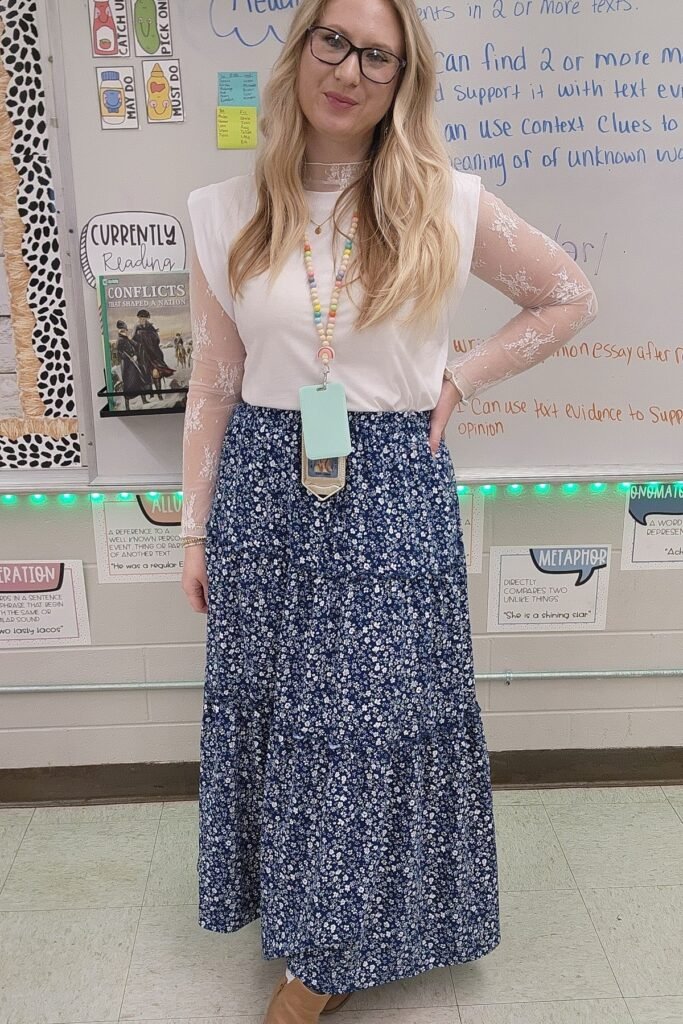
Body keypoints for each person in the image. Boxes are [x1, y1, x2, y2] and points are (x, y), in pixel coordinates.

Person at [179, 0, 598, 1019]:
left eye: (378, 55)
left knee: (370, 725)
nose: (350, 70)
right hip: (266, 487)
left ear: (401, 78)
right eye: (334, 41)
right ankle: (306, 919)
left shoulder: (447, 203)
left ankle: (323, 961)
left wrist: (460, 377)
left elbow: (566, 295)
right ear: (299, 50)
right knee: (286, 722)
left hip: (391, 487)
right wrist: (194, 526)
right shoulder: (221, 209)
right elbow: (214, 381)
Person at [133, 308, 175, 396]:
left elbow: (157, 340)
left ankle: (159, 393)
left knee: (156, 373)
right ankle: (150, 393)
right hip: (142, 354)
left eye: (144, 318)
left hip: (153, 354)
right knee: (145, 373)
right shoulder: (136, 328)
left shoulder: (150, 327)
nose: (142, 320)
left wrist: (149, 338)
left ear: (147, 319)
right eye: (141, 318)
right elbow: (134, 341)